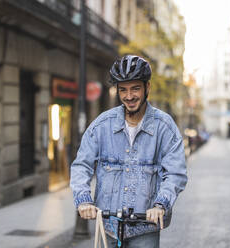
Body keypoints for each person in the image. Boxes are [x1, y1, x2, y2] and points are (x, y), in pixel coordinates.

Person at [70, 55, 187, 247]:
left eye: (135, 88)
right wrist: (83, 199)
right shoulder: (102, 125)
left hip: (145, 229)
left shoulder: (164, 126)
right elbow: (81, 165)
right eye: (123, 89)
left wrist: (160, 205)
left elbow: (176, 173)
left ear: (147, 88)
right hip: (107, 226)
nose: (129, 96)